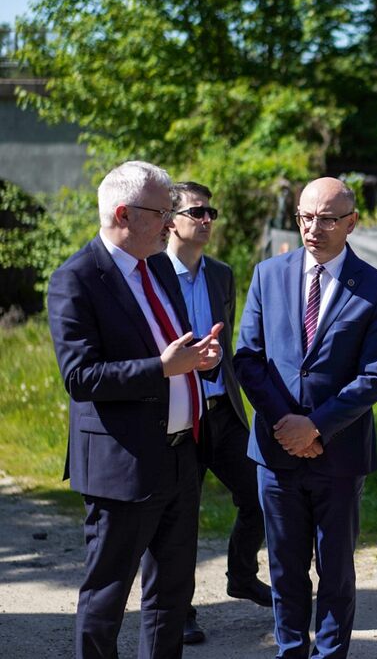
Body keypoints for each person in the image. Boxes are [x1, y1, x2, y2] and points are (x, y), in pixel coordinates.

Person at [47, 161, 223, 658]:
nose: (171, 222)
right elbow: (80, 378)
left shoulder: (160, 266)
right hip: (120, 466)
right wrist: (161, 368)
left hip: (180, 457)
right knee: (107, 596)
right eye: (162, 212)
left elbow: (171, 351)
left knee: (171, 596)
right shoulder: (76, 279)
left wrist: (197, 360)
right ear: (123, 214)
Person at [234, 177, 377, 659]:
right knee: (284, 568)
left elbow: (372, 378)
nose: (313, 227)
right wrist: (288, 425)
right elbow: (247, 356)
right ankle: (290, 651)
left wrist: (317, 426)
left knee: (336, 570)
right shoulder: (268, 274)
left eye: (327, 218)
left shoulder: (375, 288)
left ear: (351, 222)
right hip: (276, 451)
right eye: (306, 216)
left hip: (339, 454)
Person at [149, 181, 271, 645]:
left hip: (220, 407)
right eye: (197, 212)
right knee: (177, 516)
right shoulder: (152, 272)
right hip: (177, 412)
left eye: (210, 213)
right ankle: (178, 610)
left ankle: (242, 575)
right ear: (171, 220)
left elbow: (229, 335)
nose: (206, 221)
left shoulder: (221, 273)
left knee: (259, 492)